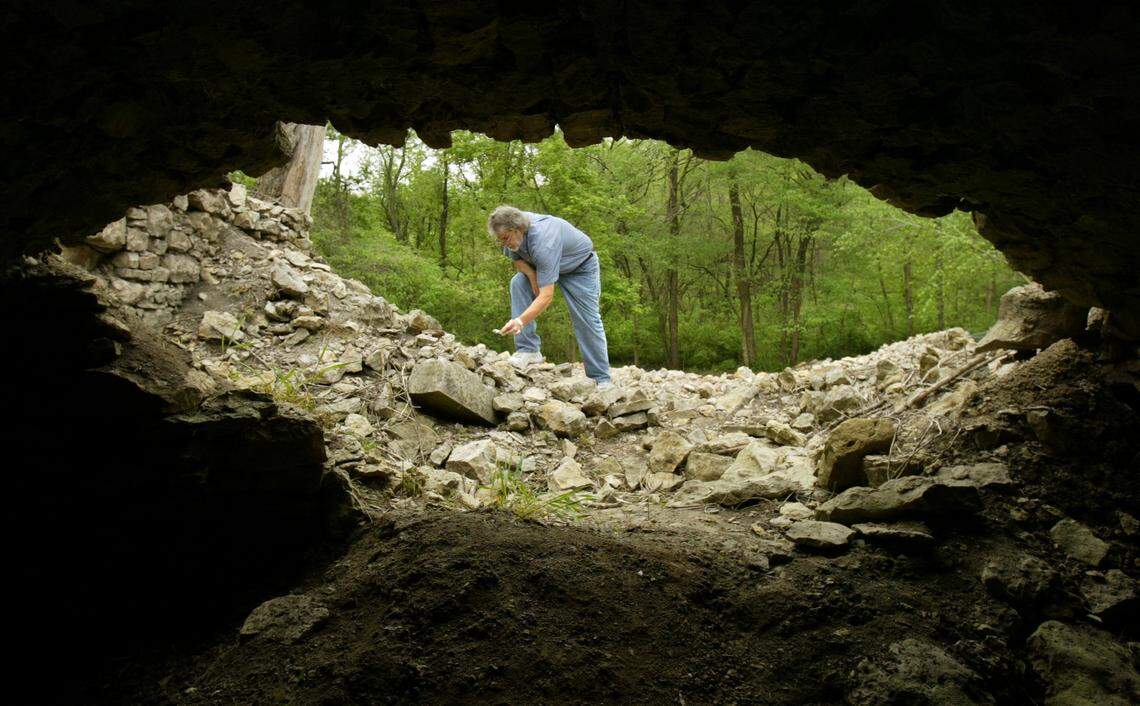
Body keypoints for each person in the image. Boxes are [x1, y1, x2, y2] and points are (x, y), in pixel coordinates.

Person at [488, 205, 613, 388]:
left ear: (517, 229)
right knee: (518, 283)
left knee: (587, 319)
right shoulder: (510, 235)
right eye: (501, 240)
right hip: (542, 266)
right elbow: (517, 259)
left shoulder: (543, 241)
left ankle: (601, 378)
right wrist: (532, 277)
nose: (504, 244)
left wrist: (520, 321)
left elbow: (546, 296)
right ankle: (528, 350)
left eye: (506, 238)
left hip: (579, 267)